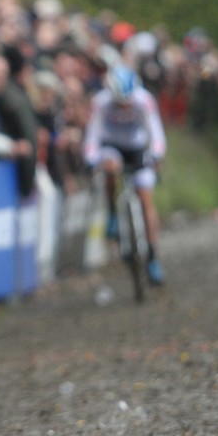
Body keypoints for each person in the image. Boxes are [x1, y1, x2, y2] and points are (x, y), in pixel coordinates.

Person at [83, 65, 167, 284]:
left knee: (145, 197)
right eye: (121, 102)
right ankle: (112, 212)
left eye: (128, 101)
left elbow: (156, 132)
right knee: (110, 167)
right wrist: (90, 160)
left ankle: (153, 255)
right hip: (112, 145)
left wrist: (157, 155)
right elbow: (92, 135)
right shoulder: (100, 103)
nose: (125, 106)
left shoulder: (144, 100)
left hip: (136, 147)